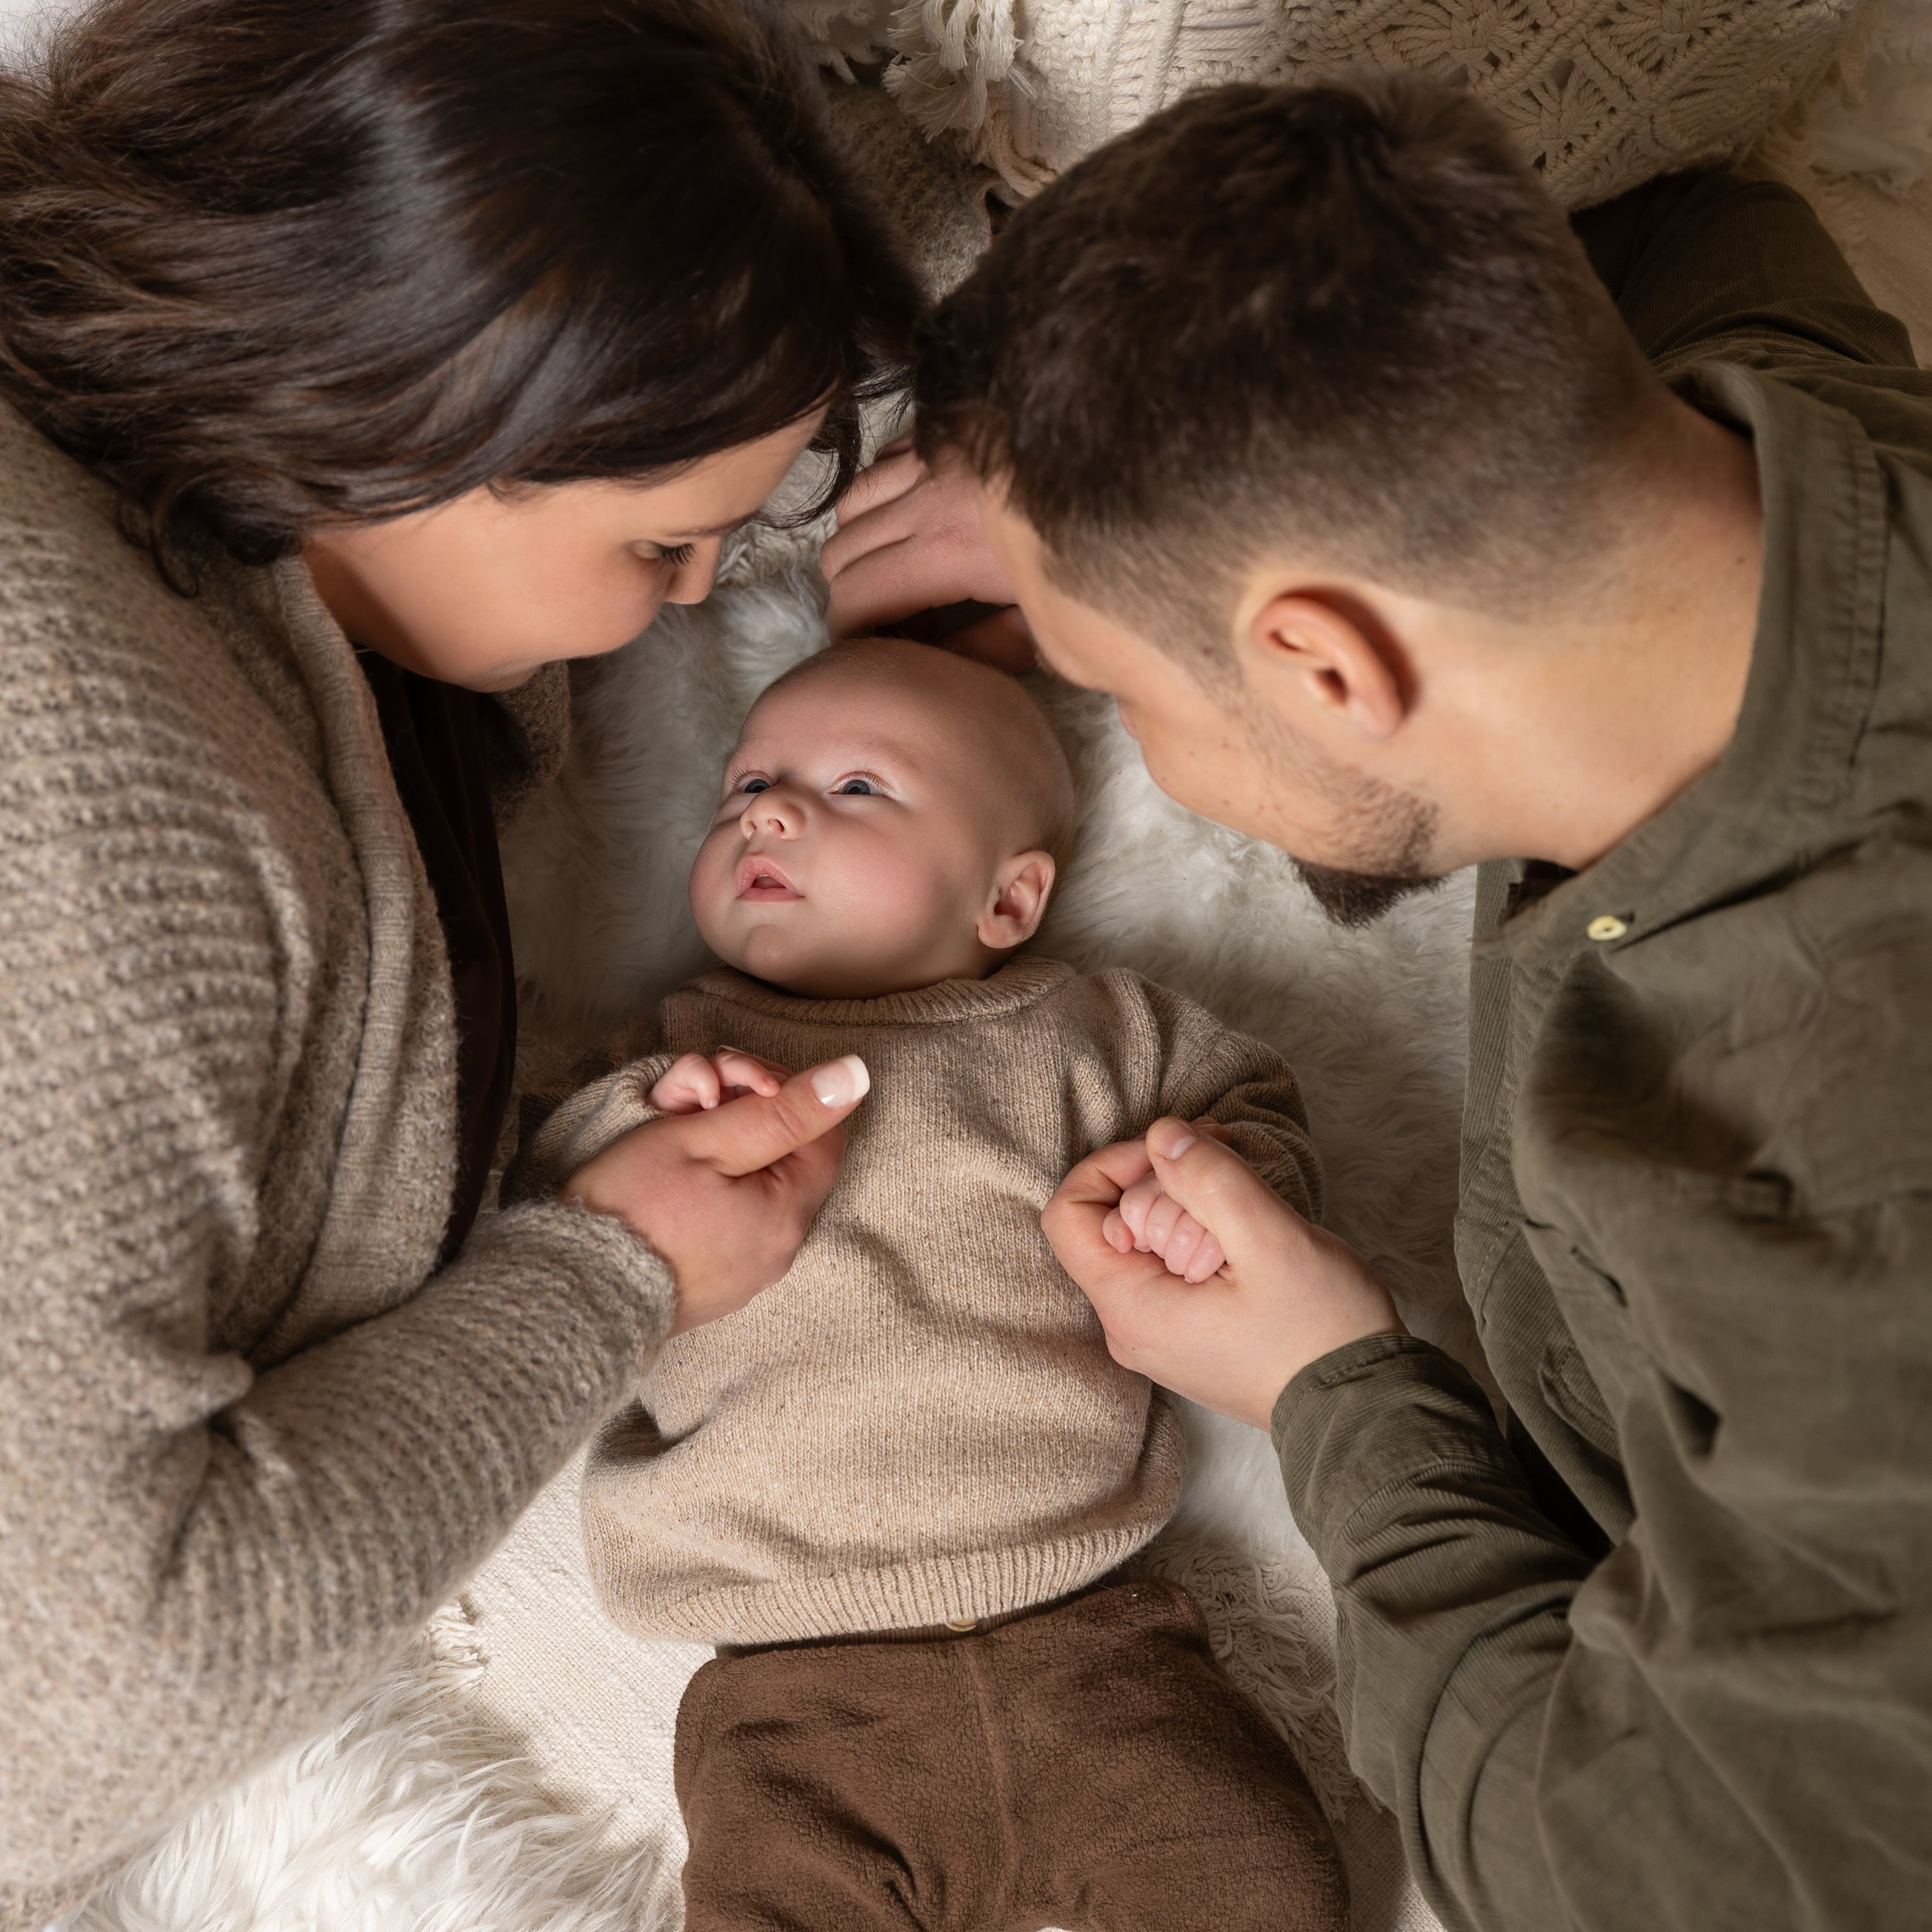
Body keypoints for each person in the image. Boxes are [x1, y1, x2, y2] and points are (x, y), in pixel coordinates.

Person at [823, 74, 1932, 1932]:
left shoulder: (1831, 1213)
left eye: (1133, 697)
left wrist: (1327, 1389)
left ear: (1324, 664)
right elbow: (1670, 221)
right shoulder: (1769, 432)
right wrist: (1064, 483)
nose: (1156, 765)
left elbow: (1651, 1876)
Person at [0, 0, 925, 1921]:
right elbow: (87, 1690)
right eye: (662, 545)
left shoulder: (222, 435)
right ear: (429, 415)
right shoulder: (121, 806)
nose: (690, 599)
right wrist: (608, 1274)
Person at [508, 637, 1349, 1932]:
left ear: (1006, 904)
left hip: (1092, 1638)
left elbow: (1249, 1105)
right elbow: (550, 1203)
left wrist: (1212, 1189)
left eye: (854, 788)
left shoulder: (1092, 1035)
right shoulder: (671, 1057)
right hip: (795, 1688)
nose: (768, 810)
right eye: (745, 787)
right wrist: (639, 1122)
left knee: (1265, 1884)